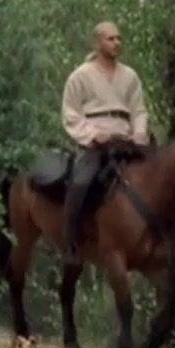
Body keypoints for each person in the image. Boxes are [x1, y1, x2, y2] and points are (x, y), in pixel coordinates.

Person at [60, 21, 153, 265]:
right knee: (80, 182)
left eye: (119, 38)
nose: (117, 43)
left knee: (156, 176)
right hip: (95, 142)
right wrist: (92, 134)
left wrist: (139, 133)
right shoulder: (81, 76)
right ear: (97, 42)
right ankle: (70, 242)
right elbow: (70, 113)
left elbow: (138, 110)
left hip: (125, 139)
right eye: (111, 39)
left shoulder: (130, 76)